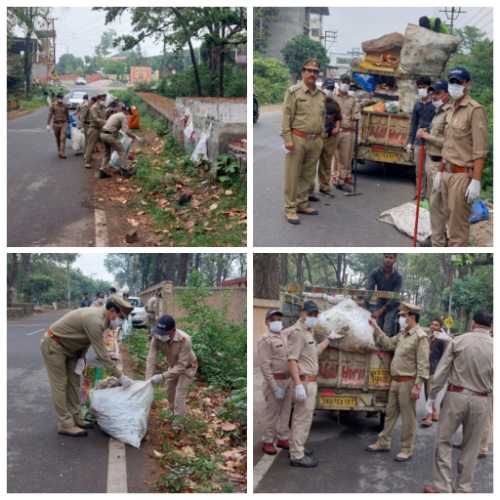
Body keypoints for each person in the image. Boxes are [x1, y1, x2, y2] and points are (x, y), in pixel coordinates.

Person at [40, 296, 134, 437]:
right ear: (112, 311)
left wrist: (80, 358)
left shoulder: (102, 320)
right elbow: (102, 355)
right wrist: (120, 376)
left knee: (74, 383)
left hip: (72, 350)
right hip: (54, 345)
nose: (121, 321)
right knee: (60, 385)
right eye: (121, 317)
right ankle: (65, 424)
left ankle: (76, 417)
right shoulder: (95, 320)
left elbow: (86, 340)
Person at [423, 309, 493, 493]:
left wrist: (432, 397)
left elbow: (442, 372)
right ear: (491, 326)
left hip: (456, 396)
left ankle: (442, 487)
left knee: (443, 441)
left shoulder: (459, 340)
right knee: (471, 446)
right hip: (481, 400)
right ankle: (462, 488)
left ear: (472, 323)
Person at [366, 302, 430, 462]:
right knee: (390, 414)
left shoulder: (420, 337)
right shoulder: (402, 335)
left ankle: (406, 449)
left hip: (408, 383)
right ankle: (383, 442)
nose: (400, 318)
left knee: (408, 418)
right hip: (395, 381)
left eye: (403, 316)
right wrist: (375, 327)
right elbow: (387, 344)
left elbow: (423, 364)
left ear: (412, 317)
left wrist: (417, 386)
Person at [434, 67, 488, 247]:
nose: (454, 86)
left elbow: (479, 150)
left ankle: (454, 255)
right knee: (449, 220)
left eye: (458, 82)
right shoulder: (450, 110)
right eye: (451, 82)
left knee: (458, 227)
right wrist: (440, 172)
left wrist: (476, 181)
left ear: (468, 84)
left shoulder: (475, 110)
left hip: (462, 176)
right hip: (447, 174)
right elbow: (447, 146)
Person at [286, 300, 335, 467]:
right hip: (304, 383)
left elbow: (315, 351)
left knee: (299, 418)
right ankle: (297, 456)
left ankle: (296, 447)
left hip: (308, 382)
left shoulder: (308, 331)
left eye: (315, 314)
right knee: (302, 419)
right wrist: (298, 384)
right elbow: (292, 361)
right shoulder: (298, 333)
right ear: (302, 314)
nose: (313, 317)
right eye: (310, 314)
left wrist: (329, 339)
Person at [280, 58, 326, 225]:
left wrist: (321, 136)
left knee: (308, 174)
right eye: (309, 70)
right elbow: (286, 116)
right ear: (303, 73)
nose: (312, 74)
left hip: (315, 140)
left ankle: (302, 204)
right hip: (297, 138)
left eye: (315, 71)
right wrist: (287, 138)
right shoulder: (294, 92)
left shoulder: (321, 95)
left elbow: (323, 117)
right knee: (292, 175)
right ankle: (290, 209)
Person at [416, 80, 452, 246]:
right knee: (433, 203)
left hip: (441, 165)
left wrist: (428, 137)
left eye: (438, 93)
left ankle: (439, 243)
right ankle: (438, 236)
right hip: (431, 160)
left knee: (439, 206)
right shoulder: (438, 112)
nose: (434, 96)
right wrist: (425, 132)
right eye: (433, 93)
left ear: (447, 94)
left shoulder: (450, 113)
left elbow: (448, 142)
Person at [146, 315, 197, 423]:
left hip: (187, 367)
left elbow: (182, 366)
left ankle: (177, 423)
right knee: (170, 391)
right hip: (173, 366)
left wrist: (161, 376)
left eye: (163, 333)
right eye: (159, 332)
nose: (160, 336)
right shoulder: (156, 337)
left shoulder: (184, 340)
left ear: (173, 330)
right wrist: (148, 380)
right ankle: (173, 413)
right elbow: (151, 358)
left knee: (179, 393)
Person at [257, 309, 293, 455]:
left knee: (285, 412)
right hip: (275, 382)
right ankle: (267, 441)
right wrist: (274, 387)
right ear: (266, 322)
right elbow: (265, 367)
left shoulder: (284, 336)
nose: (276, 322)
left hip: (287, 380)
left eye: (279, 319)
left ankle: (282, 438)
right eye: (273, 320)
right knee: (272, 413)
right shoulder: (265, 340)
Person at [309, 78, 341, 201]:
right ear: (322, 88)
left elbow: (339, 118)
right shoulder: (314, 102)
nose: (329, 91)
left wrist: (337, 127)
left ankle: (324, 187)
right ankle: (309, 191)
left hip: (330, 137)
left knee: (326, 164)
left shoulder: (334, 103)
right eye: (328, 88)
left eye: (332, 89)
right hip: (316, 137)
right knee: (311, 164)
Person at [406, 76, 435, 200]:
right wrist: (410, 142)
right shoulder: (417, 105)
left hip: (432, 142)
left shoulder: (435, 105)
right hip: (418, 142)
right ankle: (420, 195)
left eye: (424, 87)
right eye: (419, 87)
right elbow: (414, 124)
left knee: (430, 171)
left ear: (429, 88)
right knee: (419, 171)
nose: (421, 90)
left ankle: (430, 197)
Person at [361, 253, 402, 337]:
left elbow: (395, 297)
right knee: (377, 328)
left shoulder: (398, 277)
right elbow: (370, 289)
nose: (388, 259)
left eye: (390, 257)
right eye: (386, 257)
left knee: (387, 329)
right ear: (383, 258)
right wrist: (364, 300)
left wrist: (380, 311)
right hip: (380, 302)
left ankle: (385, 349)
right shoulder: (375, 272)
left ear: (394, 260)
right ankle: (377, 348)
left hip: (392, 305)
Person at [331, 74, 360, 192]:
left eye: (348, 82)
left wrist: (356, 116)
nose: (346, 84)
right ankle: (332, 176)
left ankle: (341, 181)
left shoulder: (352, 100)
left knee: (345, 158)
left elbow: (357, 114)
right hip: (334, 131)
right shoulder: (332, 98)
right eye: (344, 81)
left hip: (347, 131)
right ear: (338, 83)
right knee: (331, 157)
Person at [99, 105, 142, 179]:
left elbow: (113, 126)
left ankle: (102, 170)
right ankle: (125, 170)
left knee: (107, 153)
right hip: (110, 136)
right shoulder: (123, 117)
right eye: (128, 112)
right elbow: (126, 130)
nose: (128, 114)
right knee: (122, 151)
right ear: (126, 111)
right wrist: (135, 137)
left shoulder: (116, 115)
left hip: (102, 135)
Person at [421, 320, 448, 427]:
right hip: (427, 369)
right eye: (432, 324)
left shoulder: (441, 339)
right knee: (427, 393)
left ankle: (429, 416)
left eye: (436, 325)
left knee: (430, 393)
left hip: (435, 370)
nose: (433, 326)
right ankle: (435, 414)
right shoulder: (430, 338)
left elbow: (445, 355)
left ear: (440, 327)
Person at [84, 93, 107, 168]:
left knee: (106, 146)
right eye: (102, 99)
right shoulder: (93, 108)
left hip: (102, 129)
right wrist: (106, 122)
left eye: (104, 100)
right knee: (91, 145)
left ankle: (107, 161)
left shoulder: (103, 107)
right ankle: (87, 161)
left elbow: (105, 116)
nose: (103, 101)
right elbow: (95, 119)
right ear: (98, 99)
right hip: (94, 129)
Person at [47, 92, 70, 159]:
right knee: (58, 138)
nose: (61, 99)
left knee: (62, 137)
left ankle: (62, 152)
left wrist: (69, 121)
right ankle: (59, 150)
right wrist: (48, 125)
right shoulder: (53, 105)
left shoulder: (65, 105)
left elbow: (67, 114)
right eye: (59, 98)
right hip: (56, 124)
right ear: (57, 98)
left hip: (64, 124)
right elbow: (50, 115)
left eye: (61, 98)